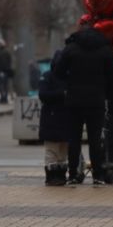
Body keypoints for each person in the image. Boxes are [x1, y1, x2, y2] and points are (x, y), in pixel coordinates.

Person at [54, 24, 113, 186]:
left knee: (74, 139)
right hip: (96, 100)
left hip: (74, 100)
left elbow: (58, 72)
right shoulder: (105, 50)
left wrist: (70, 80)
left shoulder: (71, 49)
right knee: (95, 139)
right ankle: (98, 175)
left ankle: (73, 175)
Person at [38, 50, 75, 186]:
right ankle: (52, 175)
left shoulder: (67, 77)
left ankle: (59, 175)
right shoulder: (48, 77)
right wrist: (63, 94)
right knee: (53, 150)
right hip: (52, 118)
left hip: (62, 117)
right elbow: (43, 95)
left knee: (62, 151)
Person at [0, 39, 13, 105]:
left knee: (2, 85)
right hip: (5, 71)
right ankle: (3, 97)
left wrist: (1, 70)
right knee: (4, 85)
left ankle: (4, 98)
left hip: (3, 71)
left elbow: (3, 63)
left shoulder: (3, 52)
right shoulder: (5, 51)